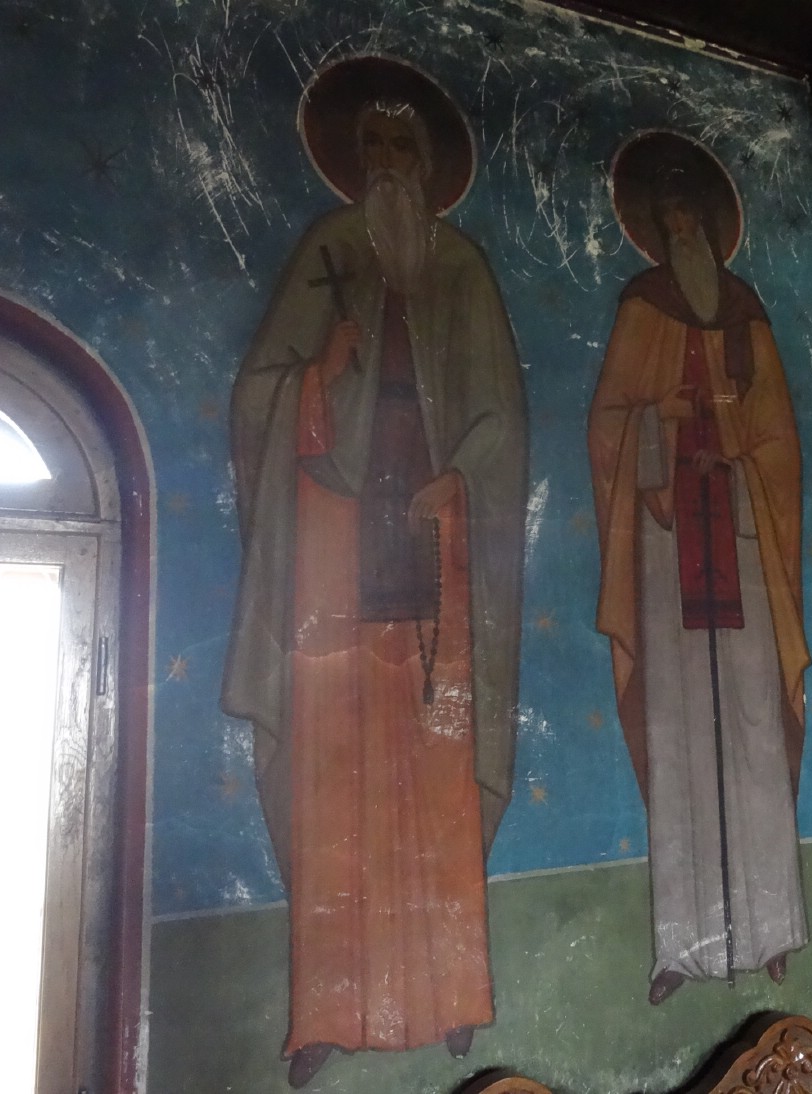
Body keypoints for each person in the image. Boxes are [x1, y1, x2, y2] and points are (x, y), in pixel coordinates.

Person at [222, 96, 526, 1086]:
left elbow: (502, 415)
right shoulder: (327, 250)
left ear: (430, 163)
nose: (388, 162)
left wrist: (459, 475)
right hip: (332, 546)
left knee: (437, 770)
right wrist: (319, 374)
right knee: (331, 778)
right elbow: (258, 395)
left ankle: (450, 992)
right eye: (373, 145)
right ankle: (325, 1009)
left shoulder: (462, 268)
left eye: (404, 145)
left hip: (436, 546)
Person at [589, 156, 810, 1005]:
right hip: (664, 543)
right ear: (657, 233)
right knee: (678, 733)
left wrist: (738, 455)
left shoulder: (748, 314)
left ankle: (772, 929)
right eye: (670, 224)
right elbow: (607, 423)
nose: (684, 235)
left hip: (742, 544)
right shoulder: (642, 306)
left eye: (694, 222)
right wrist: (660, 420)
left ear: (715, 231)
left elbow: (780, 440)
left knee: (755, 727)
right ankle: (681, 947)